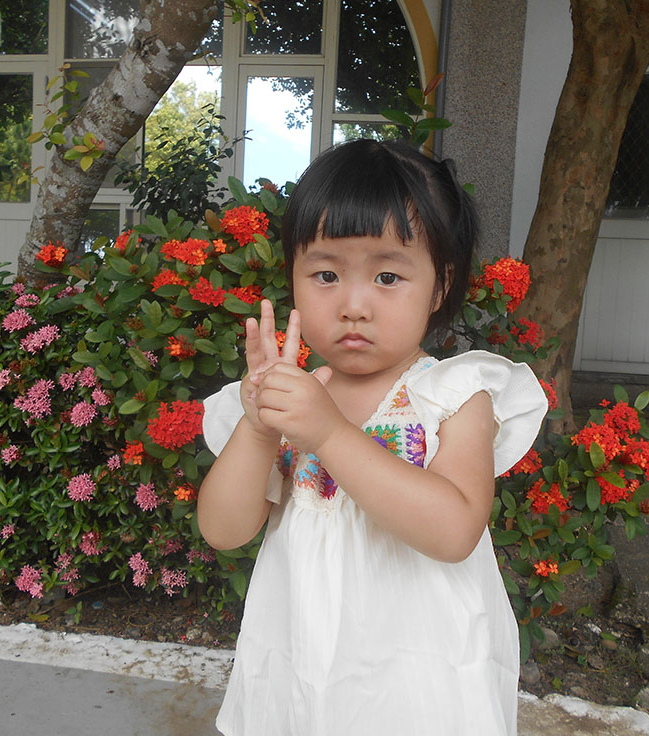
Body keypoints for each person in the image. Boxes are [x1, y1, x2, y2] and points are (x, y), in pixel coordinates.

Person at [198, 139, 548, 735]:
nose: (354, 305)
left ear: (439, 285)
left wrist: (329, 433)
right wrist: (258, 429)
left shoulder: (453, 397)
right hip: (303, 671)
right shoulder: (289, 401)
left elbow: (454, 532)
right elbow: (223, 530)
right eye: (326, 274)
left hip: (417, 682)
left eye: (388, 276)